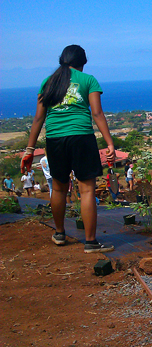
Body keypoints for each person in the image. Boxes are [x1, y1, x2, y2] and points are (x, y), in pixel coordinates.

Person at [21, 45, 115, 253]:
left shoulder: (48, 82)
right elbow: (97, 114)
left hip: (55, 139)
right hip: (81, 136)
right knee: (87, 189)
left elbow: (38, 118)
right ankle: (90, 242)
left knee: (59, 188)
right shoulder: (88, 80)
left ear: (61, 60)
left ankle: (60, 233)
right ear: (83, 62)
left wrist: (29, 150)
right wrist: (109, 143)